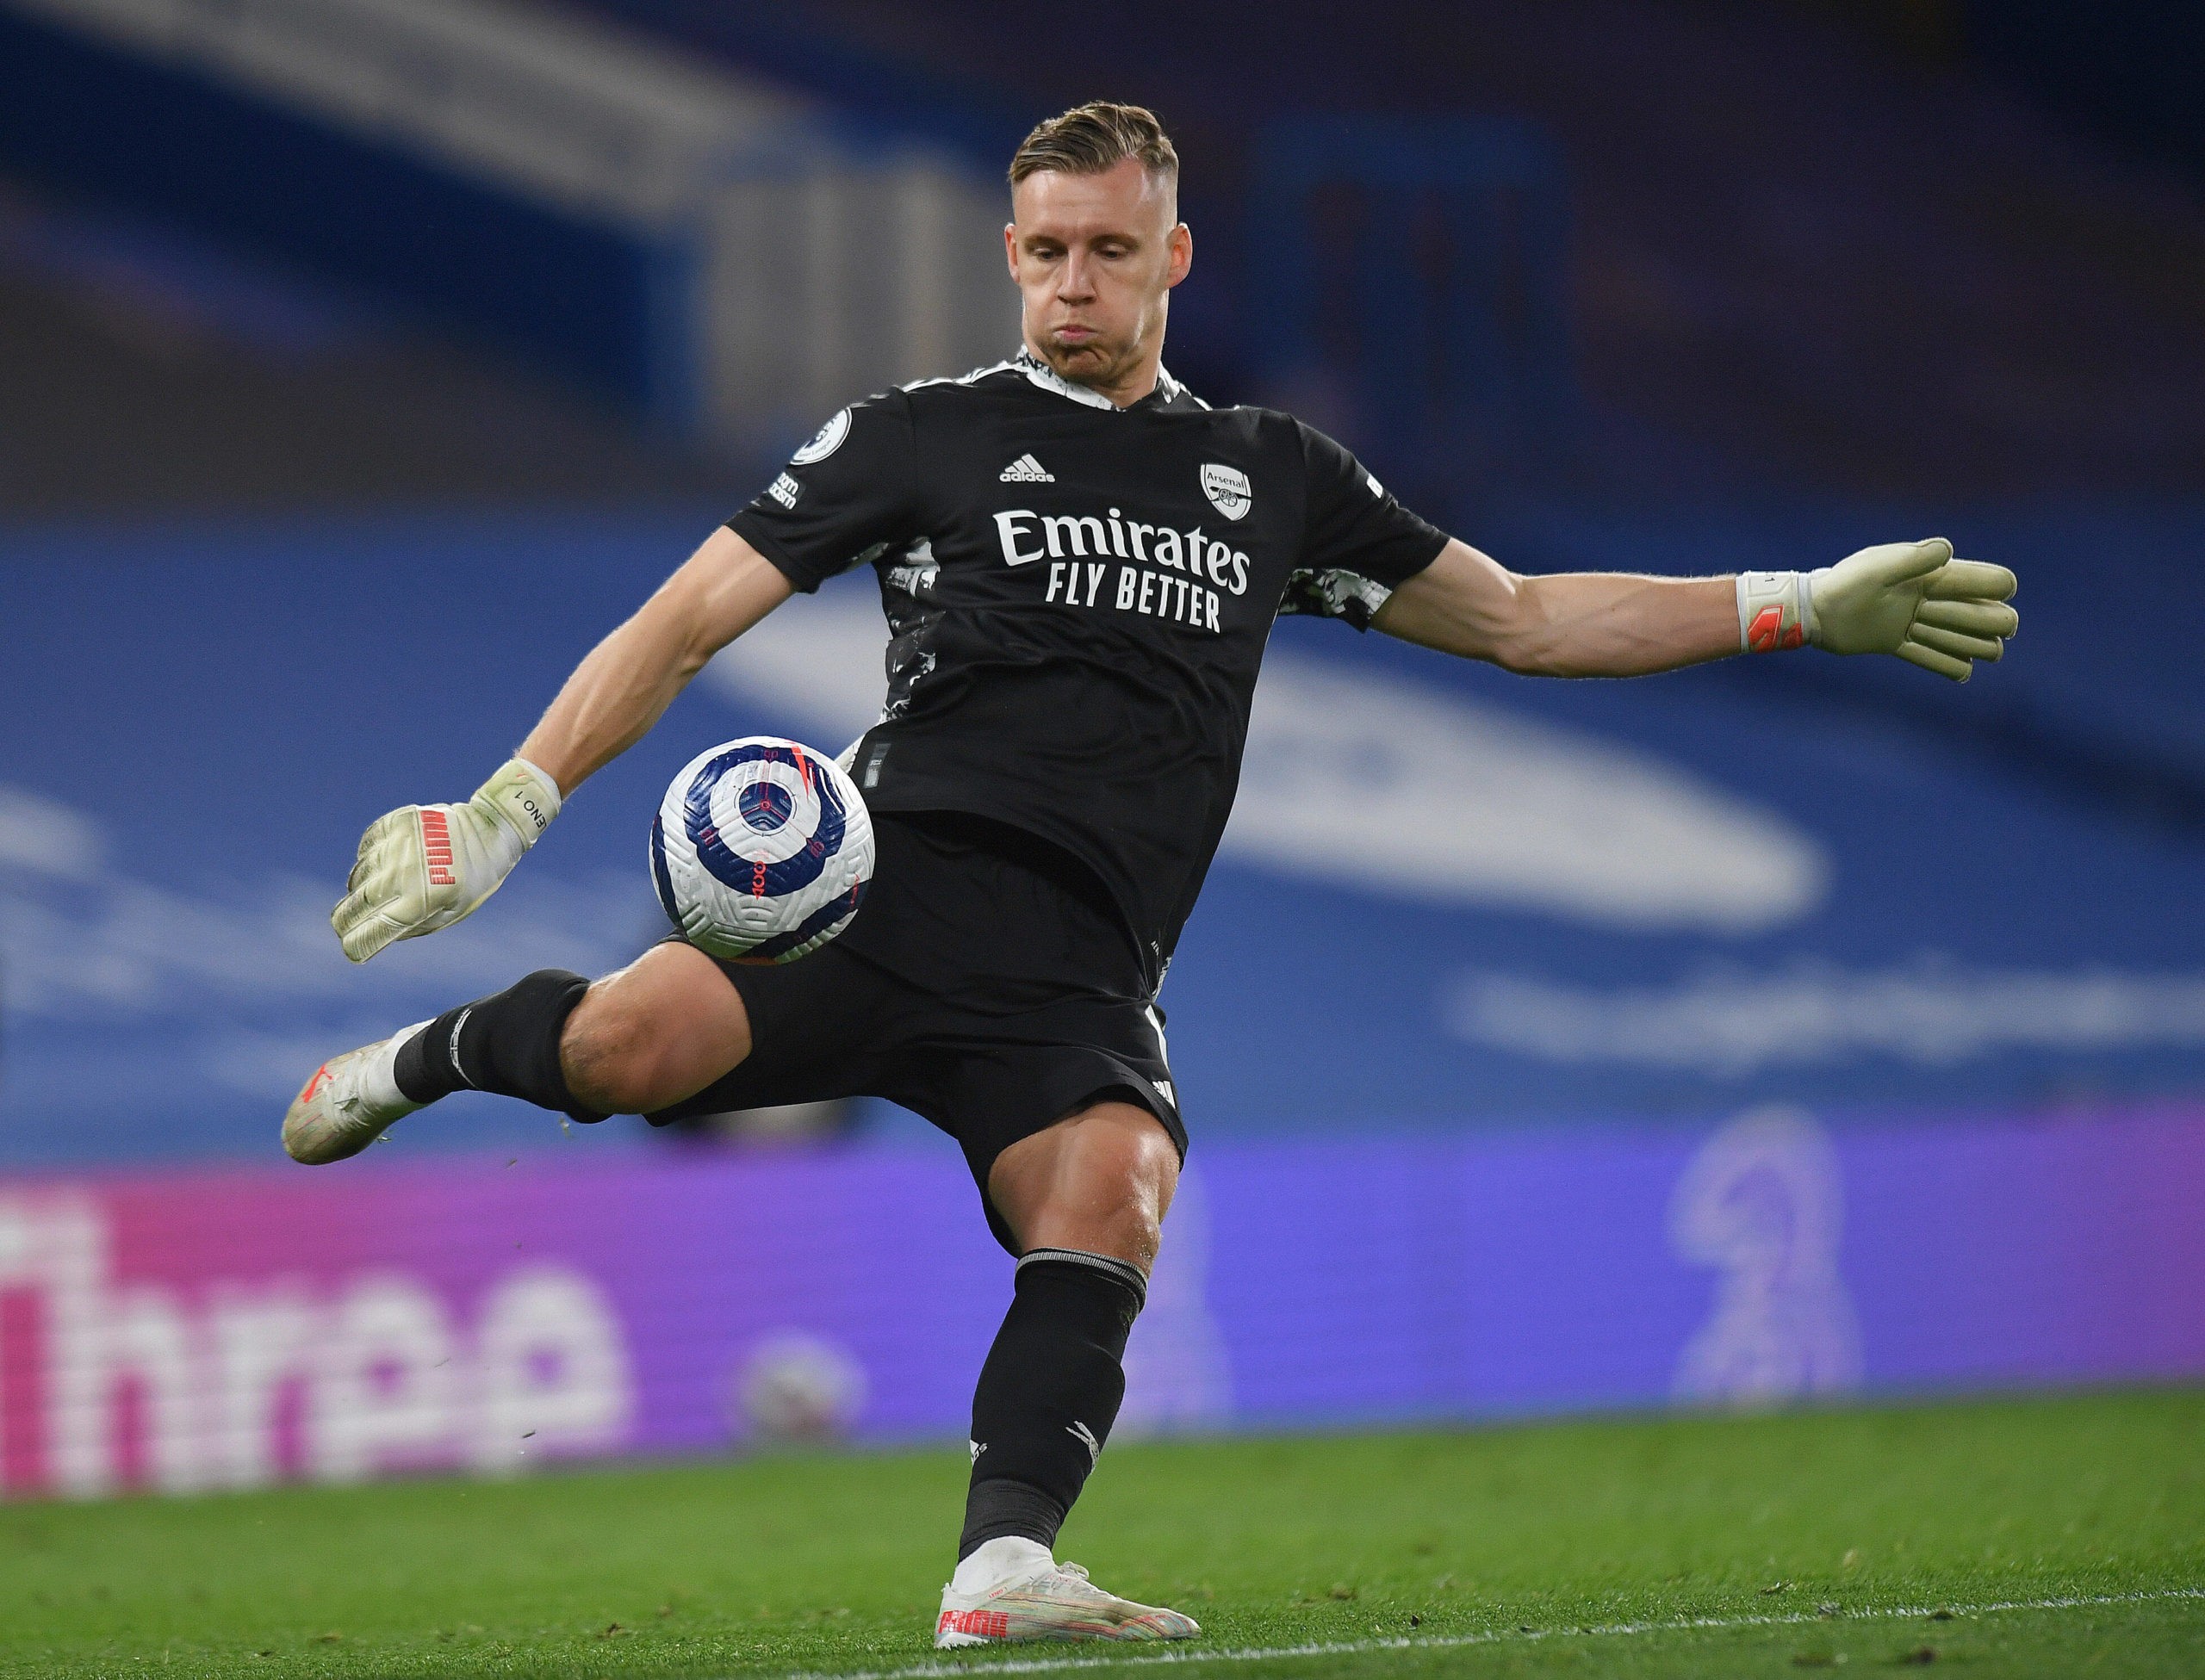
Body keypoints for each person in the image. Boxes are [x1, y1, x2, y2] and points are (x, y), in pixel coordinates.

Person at [283, 102, 2017, 1647]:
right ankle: (399, 1065)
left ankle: (1003, 1567)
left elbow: (1525, 620)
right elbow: (684, 616)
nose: (1069, 285)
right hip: (881, 895)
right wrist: (509, 803)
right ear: (1010, 255)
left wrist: (1786, 600)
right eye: (1041, 251)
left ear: (1171, 254)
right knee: (618, 1053)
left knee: (1108, 1193)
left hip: (1085, 962)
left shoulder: (1272, 477)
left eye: (1107, 251)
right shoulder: (917, 435)